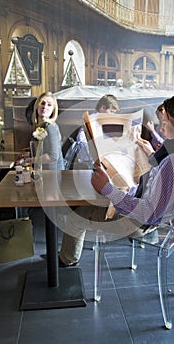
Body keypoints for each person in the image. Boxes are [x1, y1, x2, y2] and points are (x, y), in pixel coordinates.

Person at [91, 93, 174, 236]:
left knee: (80, 214)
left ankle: (67, 259)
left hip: (145, 224)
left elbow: (148, 214)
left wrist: (107, 188)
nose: (162, 128)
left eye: (165, 122)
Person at [59, 94, 120, 267]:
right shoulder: (91, 125)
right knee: (81, 208)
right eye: (112, 111)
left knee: (80, 213)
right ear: (102, 109)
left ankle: (68, 256)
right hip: (86, 172)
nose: (114, 115)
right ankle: (68, 255)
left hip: (100, 175)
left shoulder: (104, 125)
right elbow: (83, 149)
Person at [31, 91, 64, 170]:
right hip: (44, 173)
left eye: (49, 105)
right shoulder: (41, 126)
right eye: (42, 103)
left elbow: (52, 156)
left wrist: (30, 160)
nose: (45, 107)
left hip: (52, 175)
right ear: (37, 106)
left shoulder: (50, 127)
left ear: (53, 110)